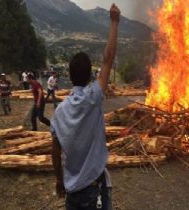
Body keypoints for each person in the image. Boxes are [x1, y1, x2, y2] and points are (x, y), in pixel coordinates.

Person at [51, 4, 120, 210]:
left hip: (72, 193)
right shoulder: (93, 97)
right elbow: (108, 59)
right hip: (94, 190)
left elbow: (55, 152)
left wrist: (59, 180)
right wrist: (114, 22)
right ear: (90, 75)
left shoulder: (58, 112)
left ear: (70, 77)